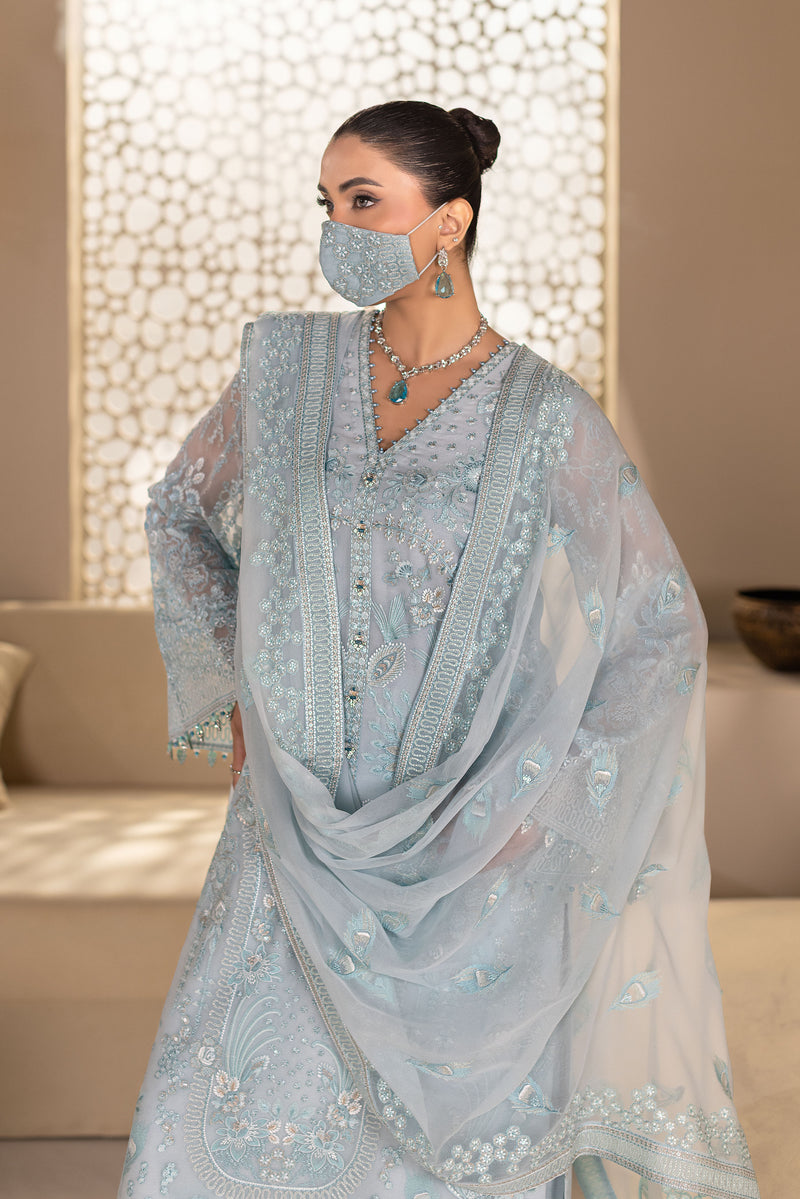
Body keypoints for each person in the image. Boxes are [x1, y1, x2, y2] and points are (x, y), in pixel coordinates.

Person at [119, 101, 760, 1199]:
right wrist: (234, 694)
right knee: (207, 1131)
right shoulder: (285, 374)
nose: (338, 227)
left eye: (364, 200)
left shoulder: (543, 416)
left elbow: (656, 628)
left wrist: (545, 805)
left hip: (465, 846)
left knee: (445, 1151)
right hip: (294, 825)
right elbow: (180, 509)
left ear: (449, 221)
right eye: (327, 203)